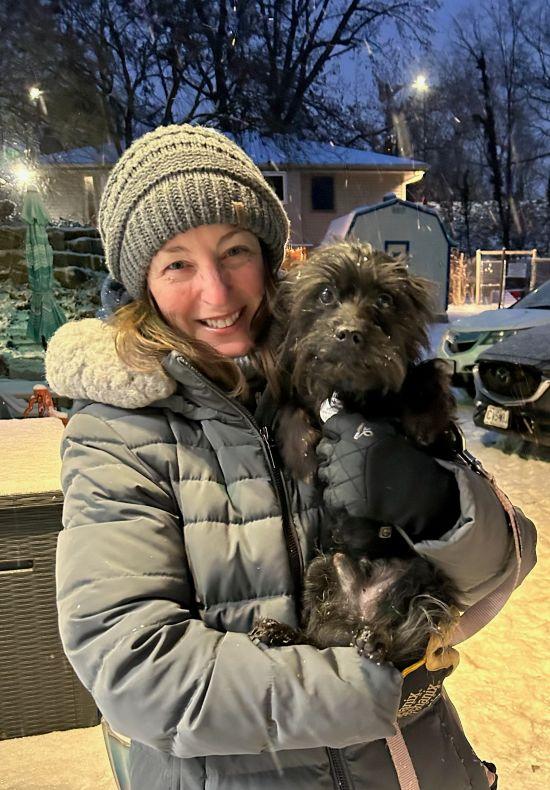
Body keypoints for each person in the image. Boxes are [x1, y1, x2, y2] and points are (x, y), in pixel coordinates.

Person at [46, 124, 536, 790]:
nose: (217, 294)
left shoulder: (342, 374)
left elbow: (509, 562)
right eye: (177, 264)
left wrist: (437, 503)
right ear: (143, 285)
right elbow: (134, 672)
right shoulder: (117, 434)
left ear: (270, 258)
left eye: (234, 251)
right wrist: (369, 689)